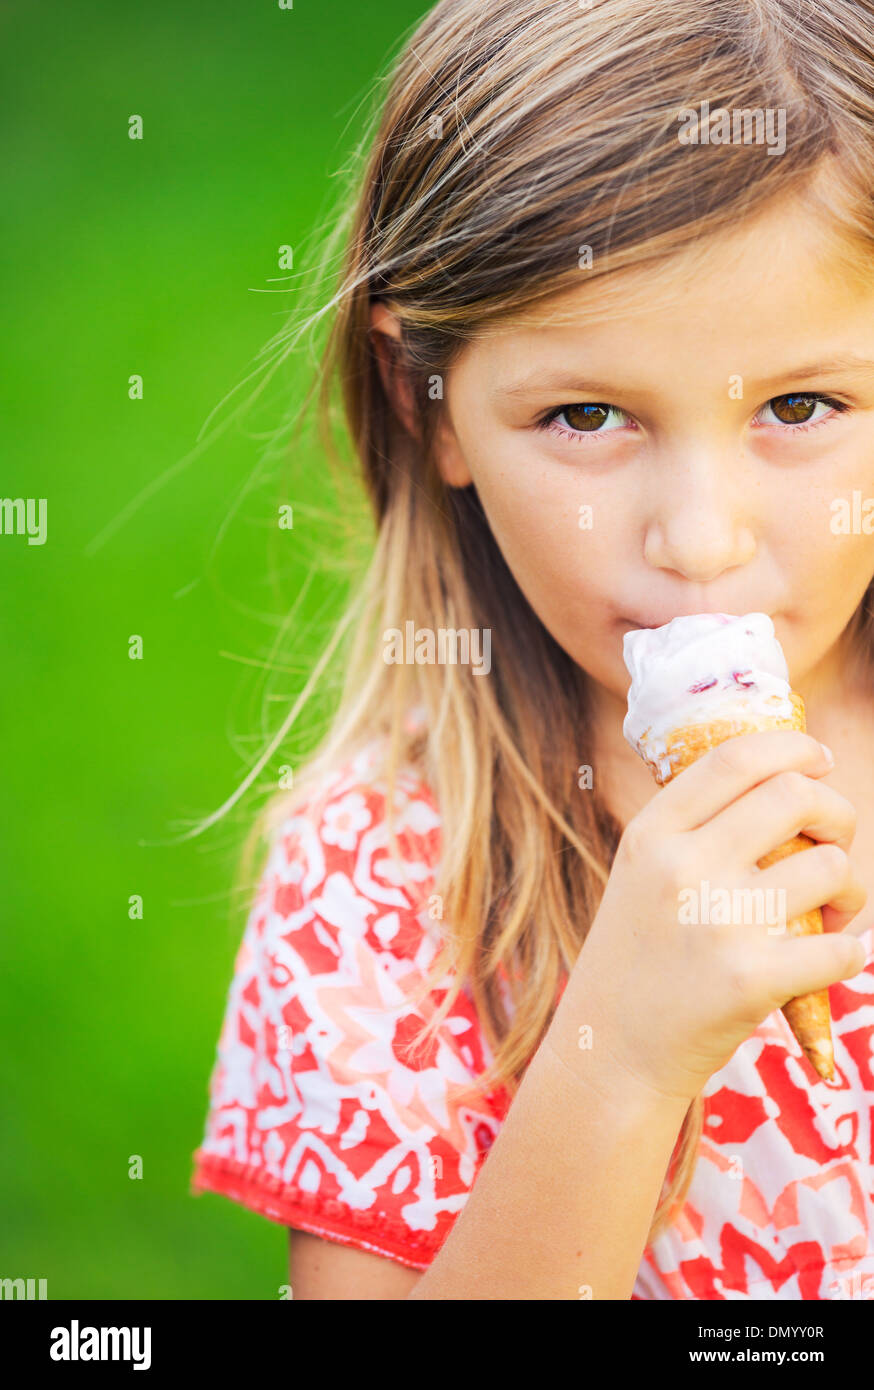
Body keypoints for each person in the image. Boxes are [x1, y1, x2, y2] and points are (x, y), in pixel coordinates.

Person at [190, 0, 874, 1299]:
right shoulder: (381, 883)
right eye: (586, 414)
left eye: (799, 406)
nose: (699, 539)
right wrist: (619, 1055)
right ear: (424, 401)